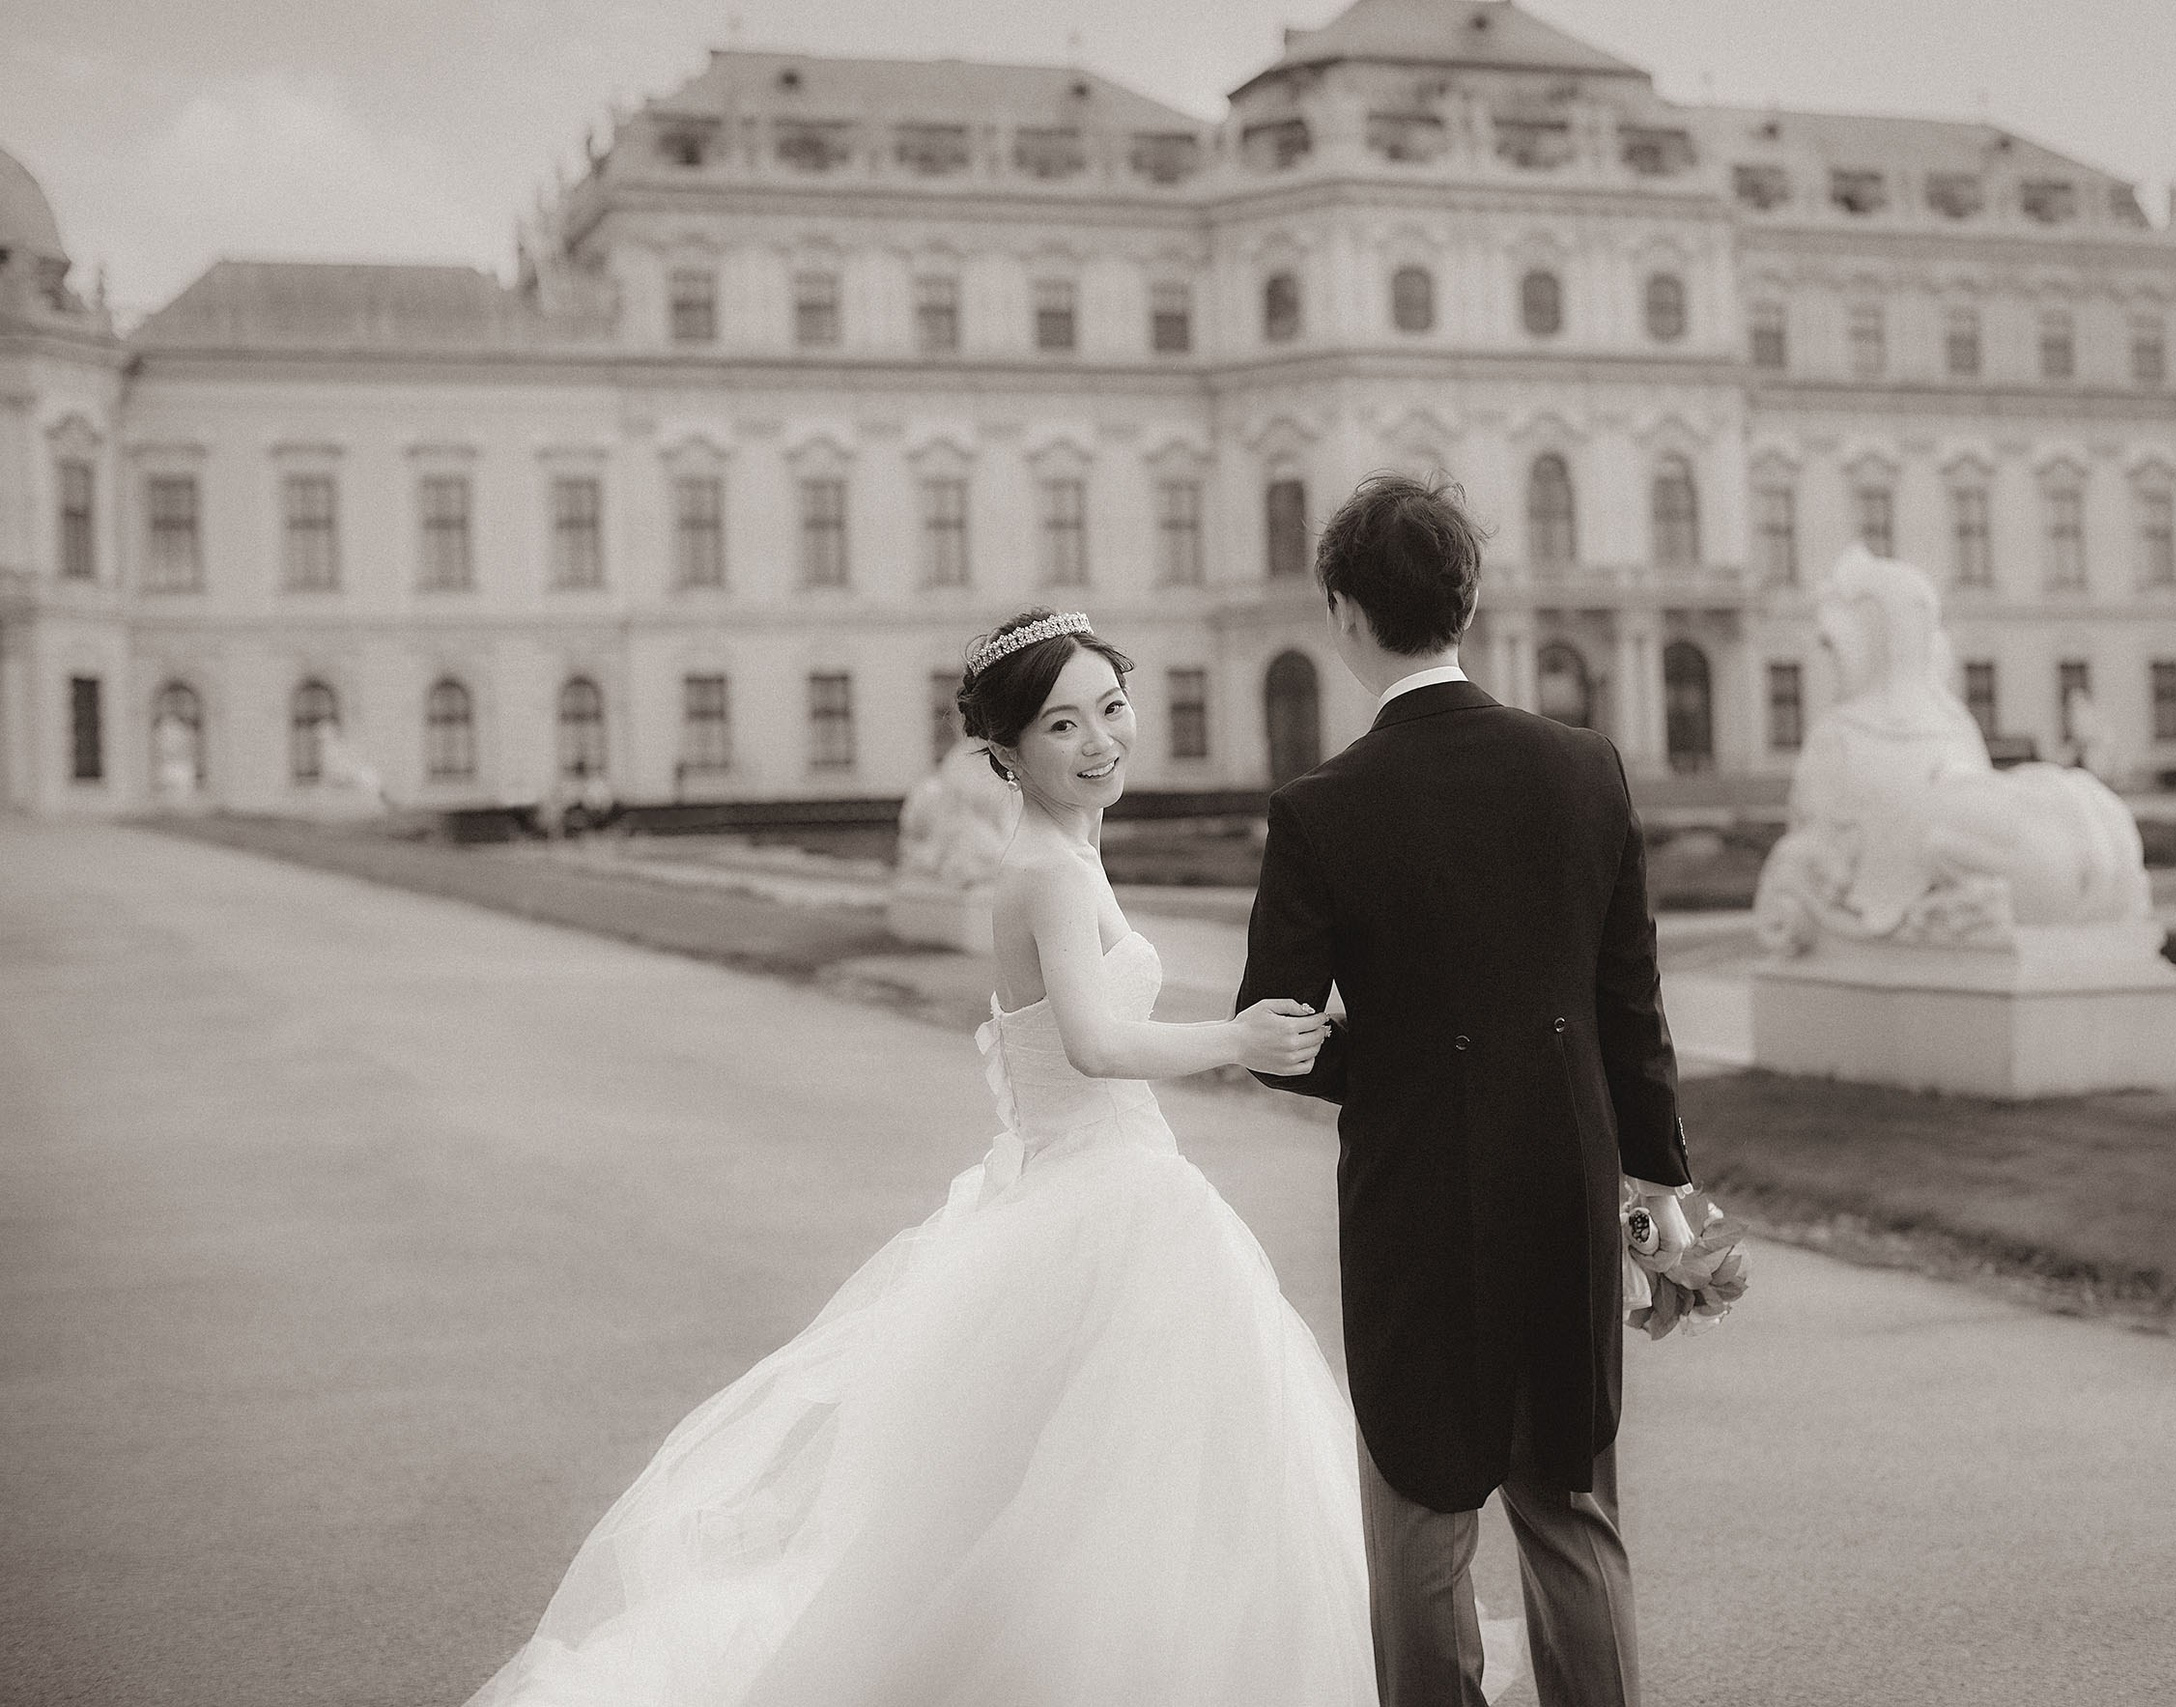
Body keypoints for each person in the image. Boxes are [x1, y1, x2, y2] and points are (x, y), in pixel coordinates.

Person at [464, 607, 1371, 1707]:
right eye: (1062, 726)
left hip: (1099, 1182)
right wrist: (1237, 1040)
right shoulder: (1045, 869)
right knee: (1117, 1476)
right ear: (1004, 754)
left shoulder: (1069, 848)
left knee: (1088, 1485)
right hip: (1104, 1191)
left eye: (1111, 710)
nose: (1100, 742)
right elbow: (1089, 1044)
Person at [1237, 474, 1695, 1707]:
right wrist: (1669, 1204)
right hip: (1566, 1171)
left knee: (1419, 1521)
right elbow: (1630, 1014)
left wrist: (1400, 1057)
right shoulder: (1585, 768)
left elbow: (1274, 1033)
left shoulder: (1319, 809)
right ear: (1470, 601)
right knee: (1572, 1512)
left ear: (1340, 612)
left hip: (1412, 1197)